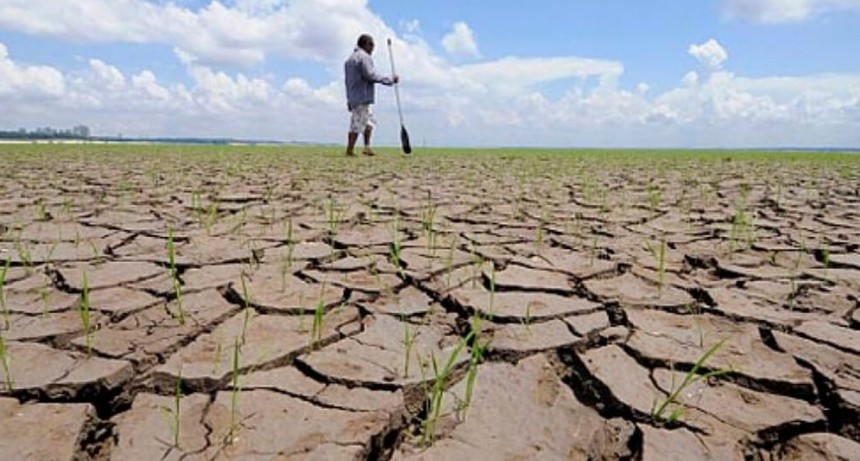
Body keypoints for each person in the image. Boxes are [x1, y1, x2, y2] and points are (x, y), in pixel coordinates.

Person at [344, 34, 399, 157]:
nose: (373, 49)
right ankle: (350, 150)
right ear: (366, 44)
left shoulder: (349, 60)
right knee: (357, 123)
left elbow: (347, 82)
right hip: (361, 97)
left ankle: (366, 147)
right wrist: (389, 80)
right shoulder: (363, 57)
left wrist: (349, 98)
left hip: (355, 96)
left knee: (369, 122)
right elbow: (371, 75)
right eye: (372, 45)